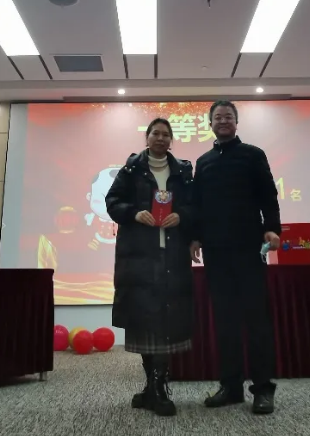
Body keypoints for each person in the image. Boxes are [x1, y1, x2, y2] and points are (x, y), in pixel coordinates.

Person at [190, 100, 281, 415]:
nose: (223, 121)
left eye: (228, 116)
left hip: (248, 248)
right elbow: (198, 204)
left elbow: (268, 195)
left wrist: (272, 228)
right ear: (210, 124)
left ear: (236, 122)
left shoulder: (253, 155)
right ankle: (230, 387)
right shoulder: (203, 162)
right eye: (218, 117)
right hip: (216, 251)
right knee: (225, 322)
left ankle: (263, 389)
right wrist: (195, 237)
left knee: (256, 320)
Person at [106, 117, 196, 417]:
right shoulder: (131, 169)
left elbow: (195, 205)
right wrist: (134, 213)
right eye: (155, 133)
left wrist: (182, 216)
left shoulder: (183, 171)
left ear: (171, 140)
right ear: (147, 137)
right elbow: (112, 201)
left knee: (167, 322)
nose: (160, 138)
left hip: (173, 256)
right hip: (139, 257)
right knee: (145, 322)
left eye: (165, 134)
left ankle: (156, 389)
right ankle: (152, 388)